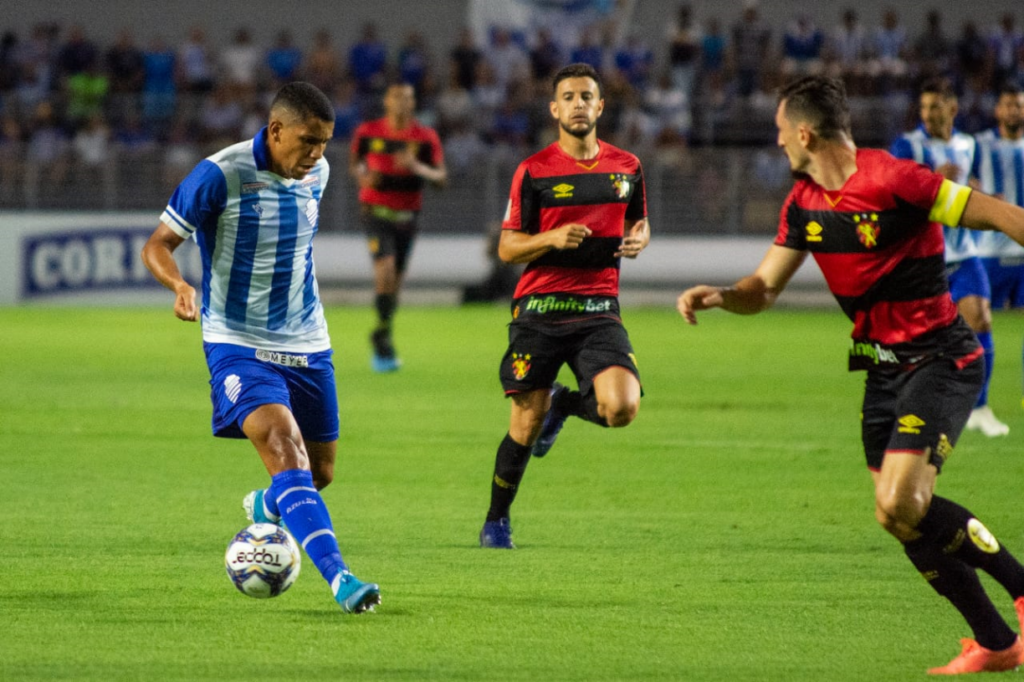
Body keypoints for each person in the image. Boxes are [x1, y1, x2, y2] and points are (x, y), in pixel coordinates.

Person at [678, 75, 1024, 675]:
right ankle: (995, 641)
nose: (778, 142)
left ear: (806, 134)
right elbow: (762, 290)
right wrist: (722, 296)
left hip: (941, 356)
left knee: (902, 497)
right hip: (881, 371)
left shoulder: (894, 179)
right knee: (896, 515)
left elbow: (998, 214)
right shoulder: (803, 204)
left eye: (782, 132)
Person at [141, 82, 380, 614]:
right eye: (307, 140)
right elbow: (157, 244)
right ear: (275, 130)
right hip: (236, 340)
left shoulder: (317, 173)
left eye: (324, 143)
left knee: (317, 475)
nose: (316, 154)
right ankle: (342, 579)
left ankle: (267, 503)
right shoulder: (219, 175)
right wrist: (180, 285)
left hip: (307, 340)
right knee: (283, 446)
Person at [479, 63, 650, 550]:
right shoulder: (533, 171)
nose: (578, 104)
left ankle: (565, 404)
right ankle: (496, 520)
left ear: (601, 106)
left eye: (587, 96)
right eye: (569, 97)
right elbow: (508, 248)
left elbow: (639, 222)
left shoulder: (628, 166)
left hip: (599, 308)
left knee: (621, 408)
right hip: (540, 307)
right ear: (555, 109)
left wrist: (640, 237)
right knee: (525, 422)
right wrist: (551, 237)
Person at [890, 78, 1009, 437]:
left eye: (935, 107)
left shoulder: (968, 144)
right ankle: (909, 406)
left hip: (964, 253)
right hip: (924, 259)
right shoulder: (907, 145)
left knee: (981, 319)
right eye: (924, 108)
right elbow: (892, 191)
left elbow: (972, 192)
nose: (927, 114)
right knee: (922, 339)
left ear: (952, 109)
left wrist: (981, 195)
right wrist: (930, 178)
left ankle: (980, 407)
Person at [349, 81, 447, 372]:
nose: (403, 102)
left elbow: (441, 178)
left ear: (414, 103)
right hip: (376, 212)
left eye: (408, 97)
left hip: (407, 217)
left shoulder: (425, 137)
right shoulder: (368, 132)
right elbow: (356, 165)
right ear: (387, 101)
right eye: (397, 97)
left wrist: (417, 167)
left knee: (396, 282)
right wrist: (365, 179)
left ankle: (383, 330)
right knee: (386, 269)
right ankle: (382, 333)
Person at [972, 85, 1024, 400]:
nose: (1014, 110)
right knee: (975, 322)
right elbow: (961, 182)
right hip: (988, 251)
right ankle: (976, 400)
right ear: (998, 111)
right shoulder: (978, 146)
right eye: (1009, 105)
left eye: (1018, 105)